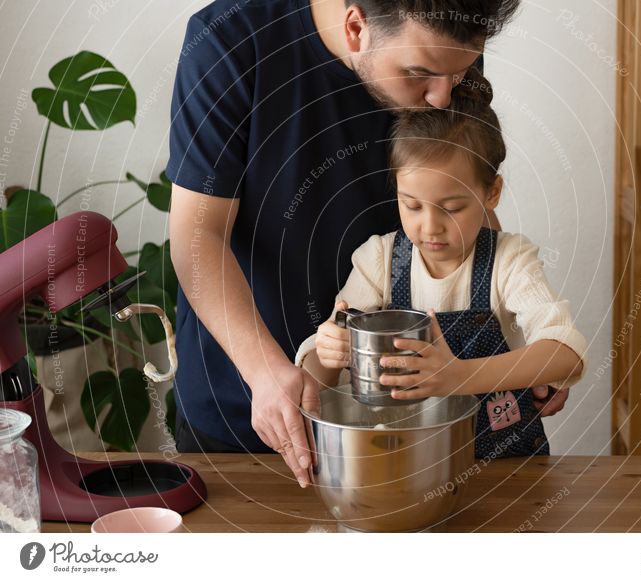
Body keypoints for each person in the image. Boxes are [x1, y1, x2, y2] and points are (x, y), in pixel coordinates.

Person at [166, 0, 571, 486]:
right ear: (356, 26)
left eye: (459, 74)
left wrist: (512, 341)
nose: (442, 97)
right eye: (419, 74)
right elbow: (197, 237)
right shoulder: (229, 41)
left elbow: (459, 186)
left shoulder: (441, 51)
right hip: (251, 397)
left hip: (414, 412)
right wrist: (266, 371)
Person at [297, 67, 587, 457]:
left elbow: (566, 353)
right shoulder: (379, 260)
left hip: (508, 474)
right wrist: (328, 353)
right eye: (411, 205)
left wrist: (458, 377)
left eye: (452, 207)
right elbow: (314, 382)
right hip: (409, 469)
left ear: (492, 193)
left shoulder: (509, 260)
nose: (430, 227)